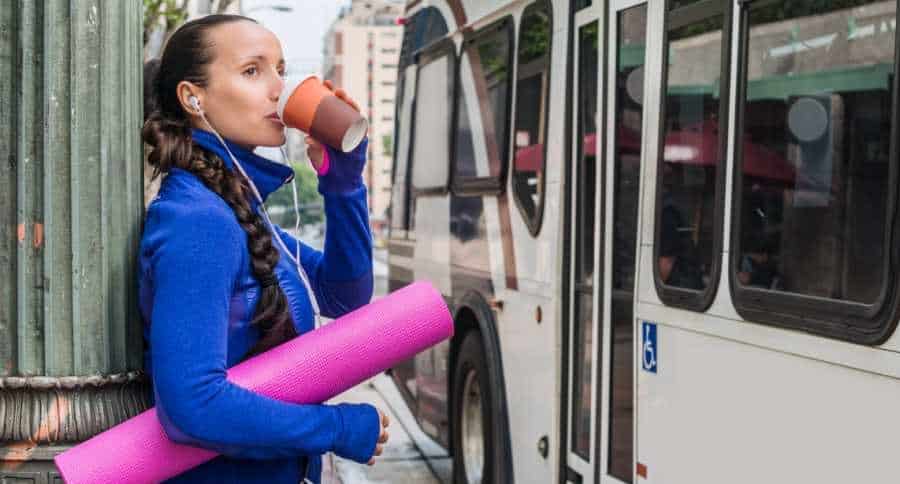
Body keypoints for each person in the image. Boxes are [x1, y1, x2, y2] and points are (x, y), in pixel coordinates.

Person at [139, 15, 388, 483]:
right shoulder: (198, 221)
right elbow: (192, 405)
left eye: (280, 69)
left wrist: (344, 180)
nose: (280, 89)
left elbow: (344, 295)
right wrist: (335, 427)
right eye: (253, 71)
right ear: (194, 97)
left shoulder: (236, 210)